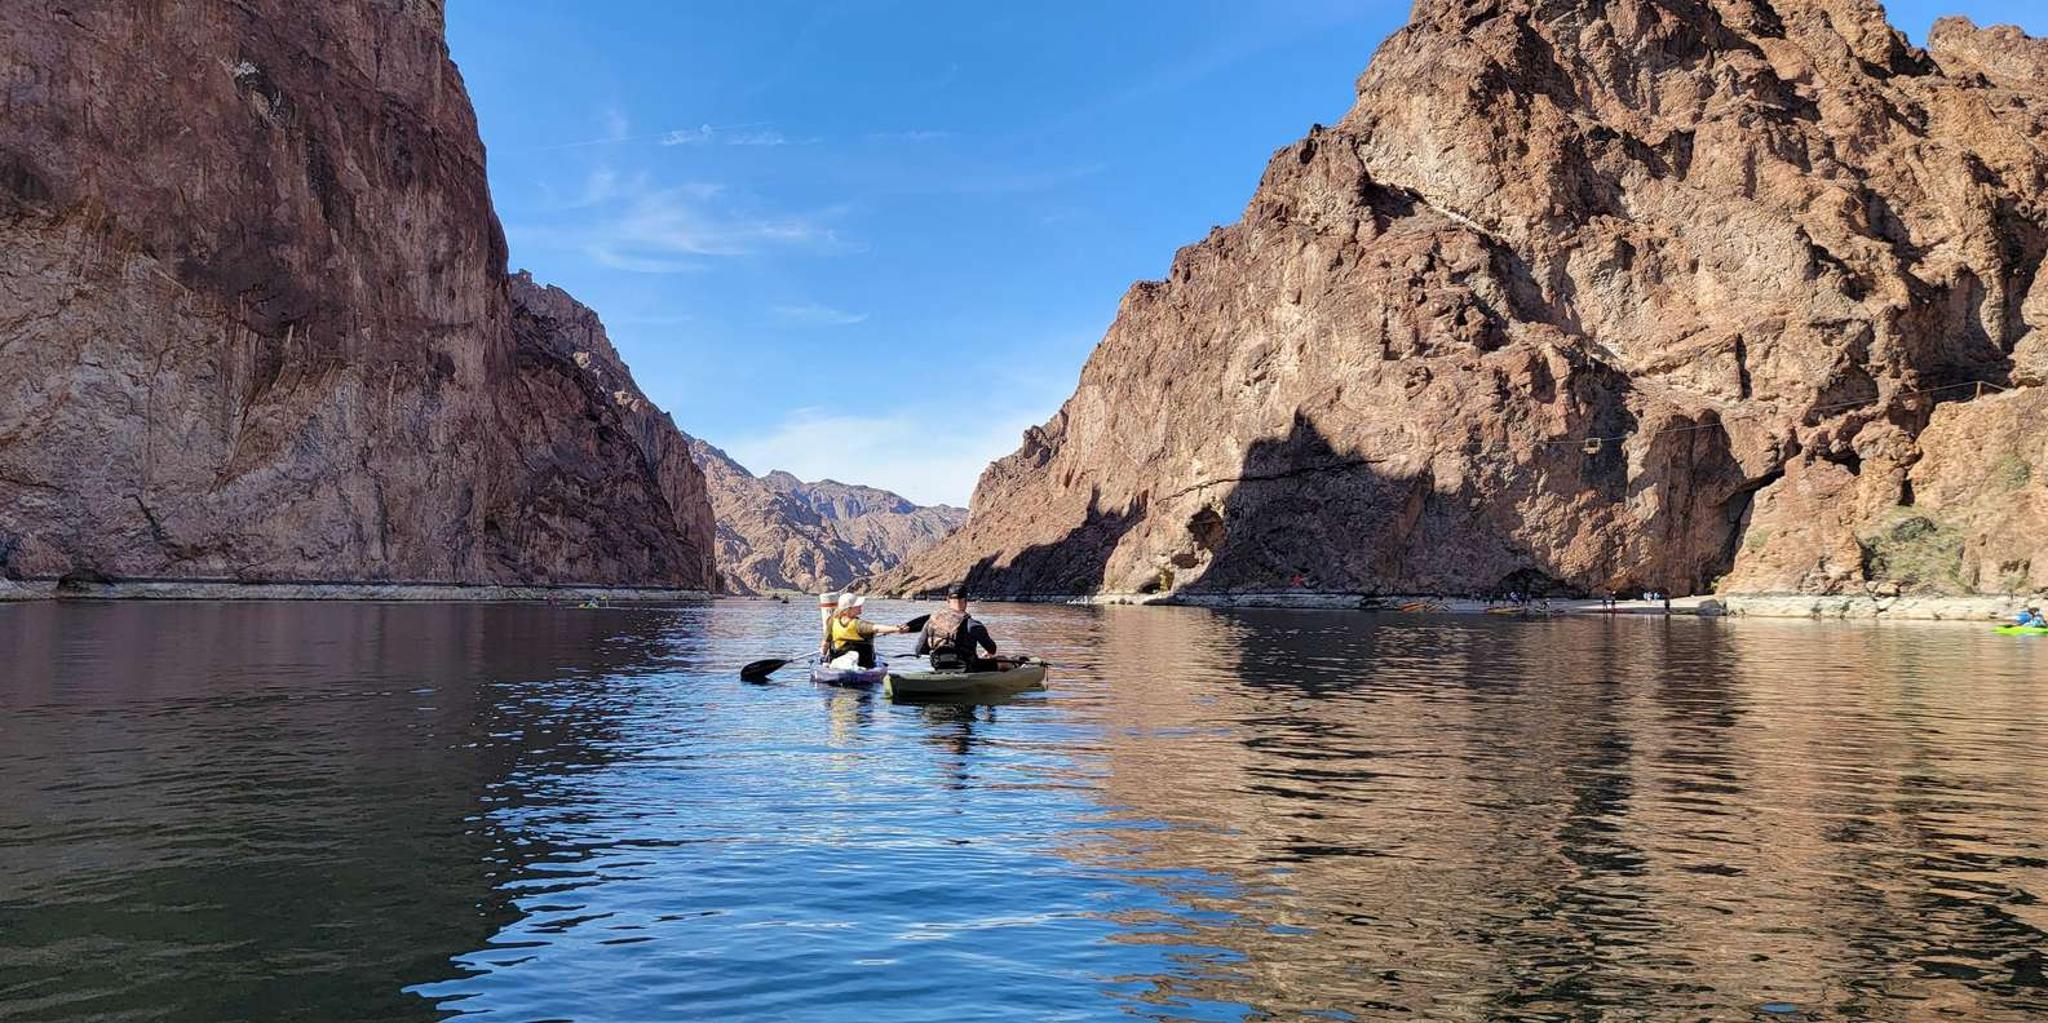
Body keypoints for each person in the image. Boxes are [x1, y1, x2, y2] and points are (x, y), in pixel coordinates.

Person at [918, 586, 1000, 671]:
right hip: (968, 667)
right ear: (965, 601)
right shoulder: (973, 624)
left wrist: (943, 652)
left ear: (948, 600)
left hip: (939, 665)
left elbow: (919, 650)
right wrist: (987, 654)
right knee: (1004, 661)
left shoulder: (930, 622)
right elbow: (992, 649)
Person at [822, 593, 910, 668]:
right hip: (863, 663)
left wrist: (823, 656)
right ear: (848, 609)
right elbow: (876, 628)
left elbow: (825, 643)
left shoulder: (833, 621)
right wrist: (895, 629)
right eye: (857, 606)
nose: (860, 606)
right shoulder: (858, 624)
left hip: (838, 658)